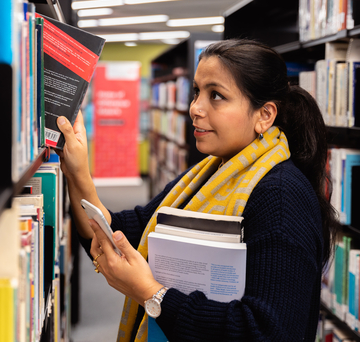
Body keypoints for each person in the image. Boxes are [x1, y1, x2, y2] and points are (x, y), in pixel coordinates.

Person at [56, 39, 338, 342]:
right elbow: (124, 235)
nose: (195, 108)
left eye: (216, 95)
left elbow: (267, 333)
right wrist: (77, 171)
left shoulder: (282, 197)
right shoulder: (205, 176)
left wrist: (151, 294)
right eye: (196, 92)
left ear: (264, 115)